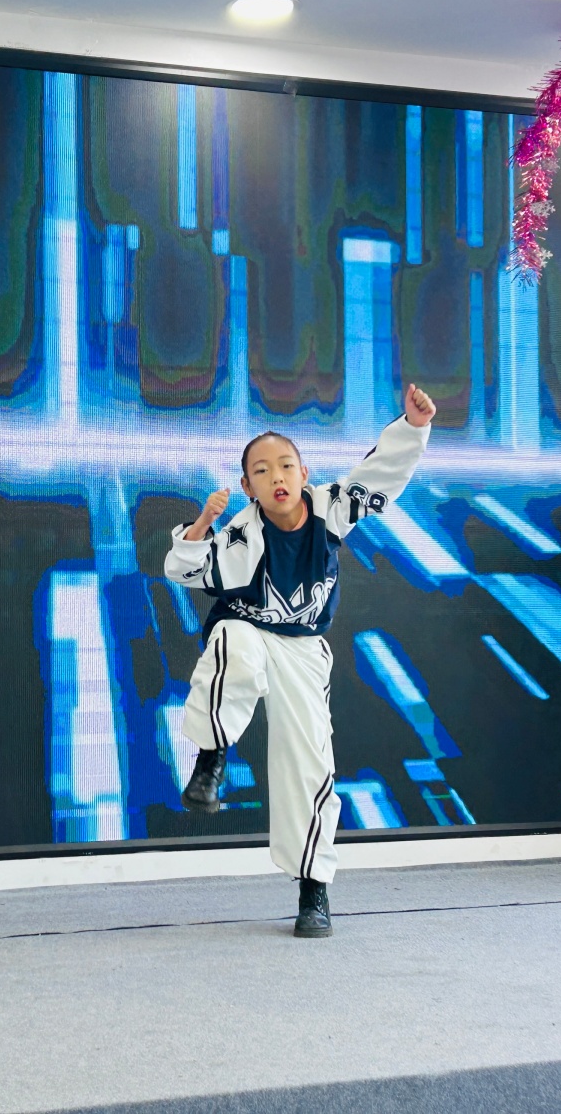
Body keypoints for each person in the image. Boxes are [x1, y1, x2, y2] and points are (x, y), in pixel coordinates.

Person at [164, 384, 436, 937]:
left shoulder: (333, 507)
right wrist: (199, 528)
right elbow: (187, 570)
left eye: (285, 464)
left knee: (310, 761)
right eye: (261, 471)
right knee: (233, 646)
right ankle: (210, 760)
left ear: (304, 472)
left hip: (303, 648)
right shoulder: (242, 531)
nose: (276, 475)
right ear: (248, 487)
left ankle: (314, 891)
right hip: (246, 627)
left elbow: (379, 477)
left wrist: (411, 427)